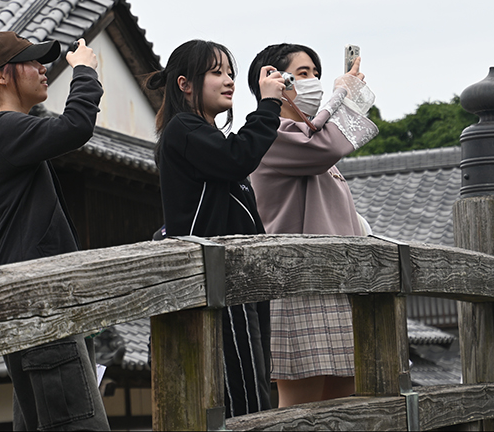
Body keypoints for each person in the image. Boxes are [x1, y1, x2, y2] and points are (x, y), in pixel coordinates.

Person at [0, 32, 109, 431]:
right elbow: (76, 127)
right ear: (1, 76)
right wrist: (86, 74)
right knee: (76, 424)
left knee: (42, 422)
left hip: (28, 302)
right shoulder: (2, 129)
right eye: (33, 62)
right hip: (42, 302)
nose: (44, 69)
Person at [146, 39, 285, 417]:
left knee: (251, 389)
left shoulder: (202, 134)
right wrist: (269, 105)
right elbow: (237, 158)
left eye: (230, 73)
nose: (228, 81)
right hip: (216, 283)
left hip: (235, 281)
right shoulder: (183, 130)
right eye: (216, 72)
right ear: (184, 84)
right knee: (243, 401)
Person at [247, 43, 378, 407]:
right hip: (298, 284)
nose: (314, 82)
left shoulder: (310, 134)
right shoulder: (269, 132)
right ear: (273, 81)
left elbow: (326, 141)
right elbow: (329, 147)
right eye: (303, 74)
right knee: (300, 408)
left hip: (338, 282)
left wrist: (339, 98)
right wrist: (343, 95)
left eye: (316, 74)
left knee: (344, 400)